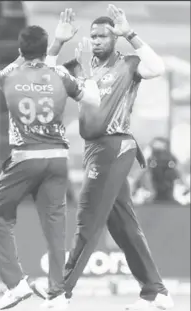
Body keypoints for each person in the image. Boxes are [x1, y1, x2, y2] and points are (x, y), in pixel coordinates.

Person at [38, 5, 174, 311]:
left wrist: (131, 34)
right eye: (93, 36)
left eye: (104, 35)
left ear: (114, 39)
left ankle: (61, 291)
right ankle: (156, 292)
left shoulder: (128, 64)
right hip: (94, 151)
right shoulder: (78, 68)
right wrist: (57, 44)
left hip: (116, 147)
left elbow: (158, 68)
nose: (98, 40)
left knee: (88, 217)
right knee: (123, 225)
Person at [0, 9, 101, 310]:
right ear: (45, 47)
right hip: (57, 160)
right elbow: (93, 101)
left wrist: (51, 47)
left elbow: (13, 74)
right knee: (54, 227)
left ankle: (15, 285)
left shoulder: (7, 76)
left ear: (20, 50)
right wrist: (80, 66)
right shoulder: (60, 75)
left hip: (24, 158)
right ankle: (58, 294)